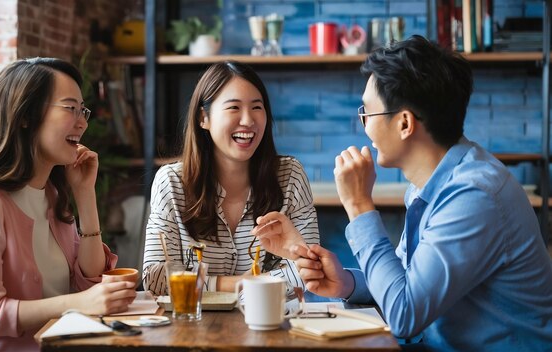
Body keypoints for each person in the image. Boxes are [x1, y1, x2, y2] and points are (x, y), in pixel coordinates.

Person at [252, 35, 552, 351]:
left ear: (405, 123)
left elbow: (405, 313)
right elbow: (406, 280)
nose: (364, 125)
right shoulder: (431, 183)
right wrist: (346, 282)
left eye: (367, 113)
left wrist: (358, 203)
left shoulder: (473, 196)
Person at [0, 58, 137, 352]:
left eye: (83, 110)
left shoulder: (51, 193)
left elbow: (88, 283)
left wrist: (85, 194)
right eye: (70, 108)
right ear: (25, 114)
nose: (82, 122)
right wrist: (80, 304)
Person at [143, 61, 319, 297]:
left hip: (269, 325)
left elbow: (307, 273)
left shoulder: (290, 176)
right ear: (203, 118)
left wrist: (198, 282)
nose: (248, 120)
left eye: (257, 107)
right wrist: (238, 284)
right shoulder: (172, 182)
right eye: (234, 107)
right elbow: (155, 278)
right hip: (191, 327)